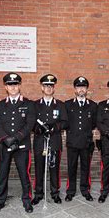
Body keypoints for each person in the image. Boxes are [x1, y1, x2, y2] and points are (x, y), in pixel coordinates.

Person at [0, 72, 36, 214]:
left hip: (22, 145)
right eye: (10, 84)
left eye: (15, 84)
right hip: (4, 146)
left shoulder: (28, 104)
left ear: (19, 85)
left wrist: (16, 138)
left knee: (24, 173)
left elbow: (29, 124)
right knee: (2, 174)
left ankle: (27, 200)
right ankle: (0, 200)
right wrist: (5, 139)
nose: (13, 87)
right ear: (6, 87)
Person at [31, 74, 68, 205]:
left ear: (54, 88)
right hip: (40, 142)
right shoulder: (35, 105)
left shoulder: (60, 105)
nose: (48, 88)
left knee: (54, 168)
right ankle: (39, 193)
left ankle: (55, 193)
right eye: (46, 86)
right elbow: (30, 122)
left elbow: (65, 122)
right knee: (39, 168)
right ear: (42, 87)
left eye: (51, 86)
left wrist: (54, 127)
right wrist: (37, 129)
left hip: (54, 141)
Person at [64, 76, 97, 202]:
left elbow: (94, 123)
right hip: (72, 142)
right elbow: (66, 122)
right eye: (79, 87)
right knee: (71, 167)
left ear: (87, 89)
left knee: (85, 167)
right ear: (75, 89)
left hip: (86, 142)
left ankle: (85, 190)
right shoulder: (68, 104)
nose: (81, 89)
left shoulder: (93, 106)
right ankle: (70, 191)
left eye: (83, 87)